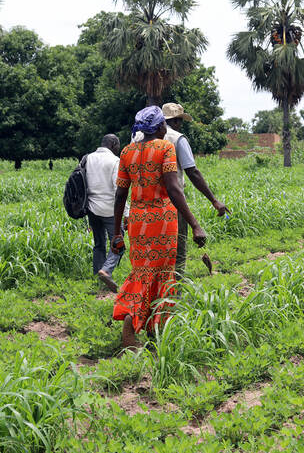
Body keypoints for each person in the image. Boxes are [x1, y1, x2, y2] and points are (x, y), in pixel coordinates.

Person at [112, 106, 206, 349]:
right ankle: (153, 329)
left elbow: (121, 194)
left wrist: (116, 232)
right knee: (163, 275)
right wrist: (195, 224)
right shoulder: (165, 148)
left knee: (142, 274)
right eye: (164, 124)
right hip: (162, 222)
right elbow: (174, 189)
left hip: (137, 222)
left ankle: (142, 330)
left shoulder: (127, 152)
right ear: (160, 127)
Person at [136, 102, 229, 275]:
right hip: (172, 201)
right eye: (180, 121)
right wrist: (214, 201)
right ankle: (175, 294)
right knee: (178, 251)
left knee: (152, 251)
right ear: (176, 121)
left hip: (143, 203)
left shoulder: (137, 138)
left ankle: (155, 292)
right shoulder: (178, 138)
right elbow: (192, 172)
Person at [85, 134, 128, 292]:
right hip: (110, 209)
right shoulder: (115, 161)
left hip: (91, 208)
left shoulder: (87, 158)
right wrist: (126, 213)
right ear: (114, 144)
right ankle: (107, 270)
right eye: (118, 145)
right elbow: (119, 190)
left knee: (99, 243)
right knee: (119, 243)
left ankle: (99, 276)